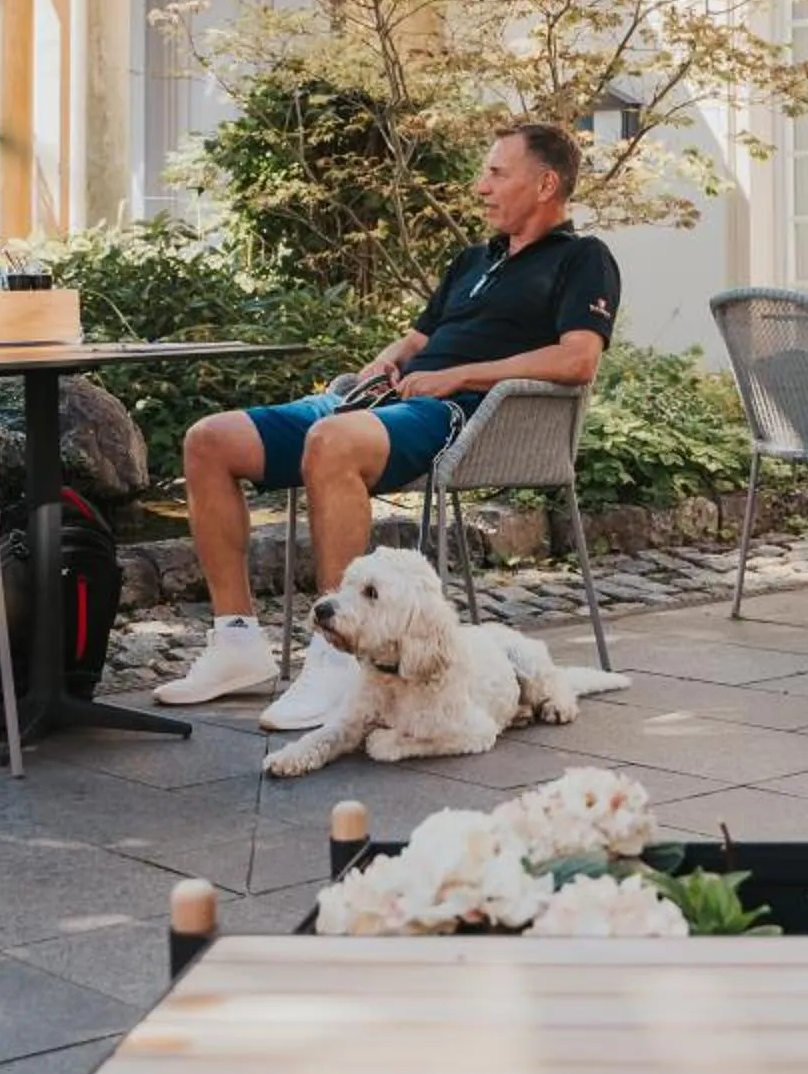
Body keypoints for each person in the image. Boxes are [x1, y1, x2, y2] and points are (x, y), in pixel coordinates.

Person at [153, 122, 623, 729]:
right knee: (209, 440)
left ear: (546, 183)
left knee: (330, 443)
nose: (480, 187)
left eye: (496, 173)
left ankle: (336, 659)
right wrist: (386, 360)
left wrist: (461, 376)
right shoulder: (474, 259)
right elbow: (424, 336)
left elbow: (578, 358)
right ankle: (238, 644)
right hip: (390, 401)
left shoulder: (584, 259)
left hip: (461, 416)